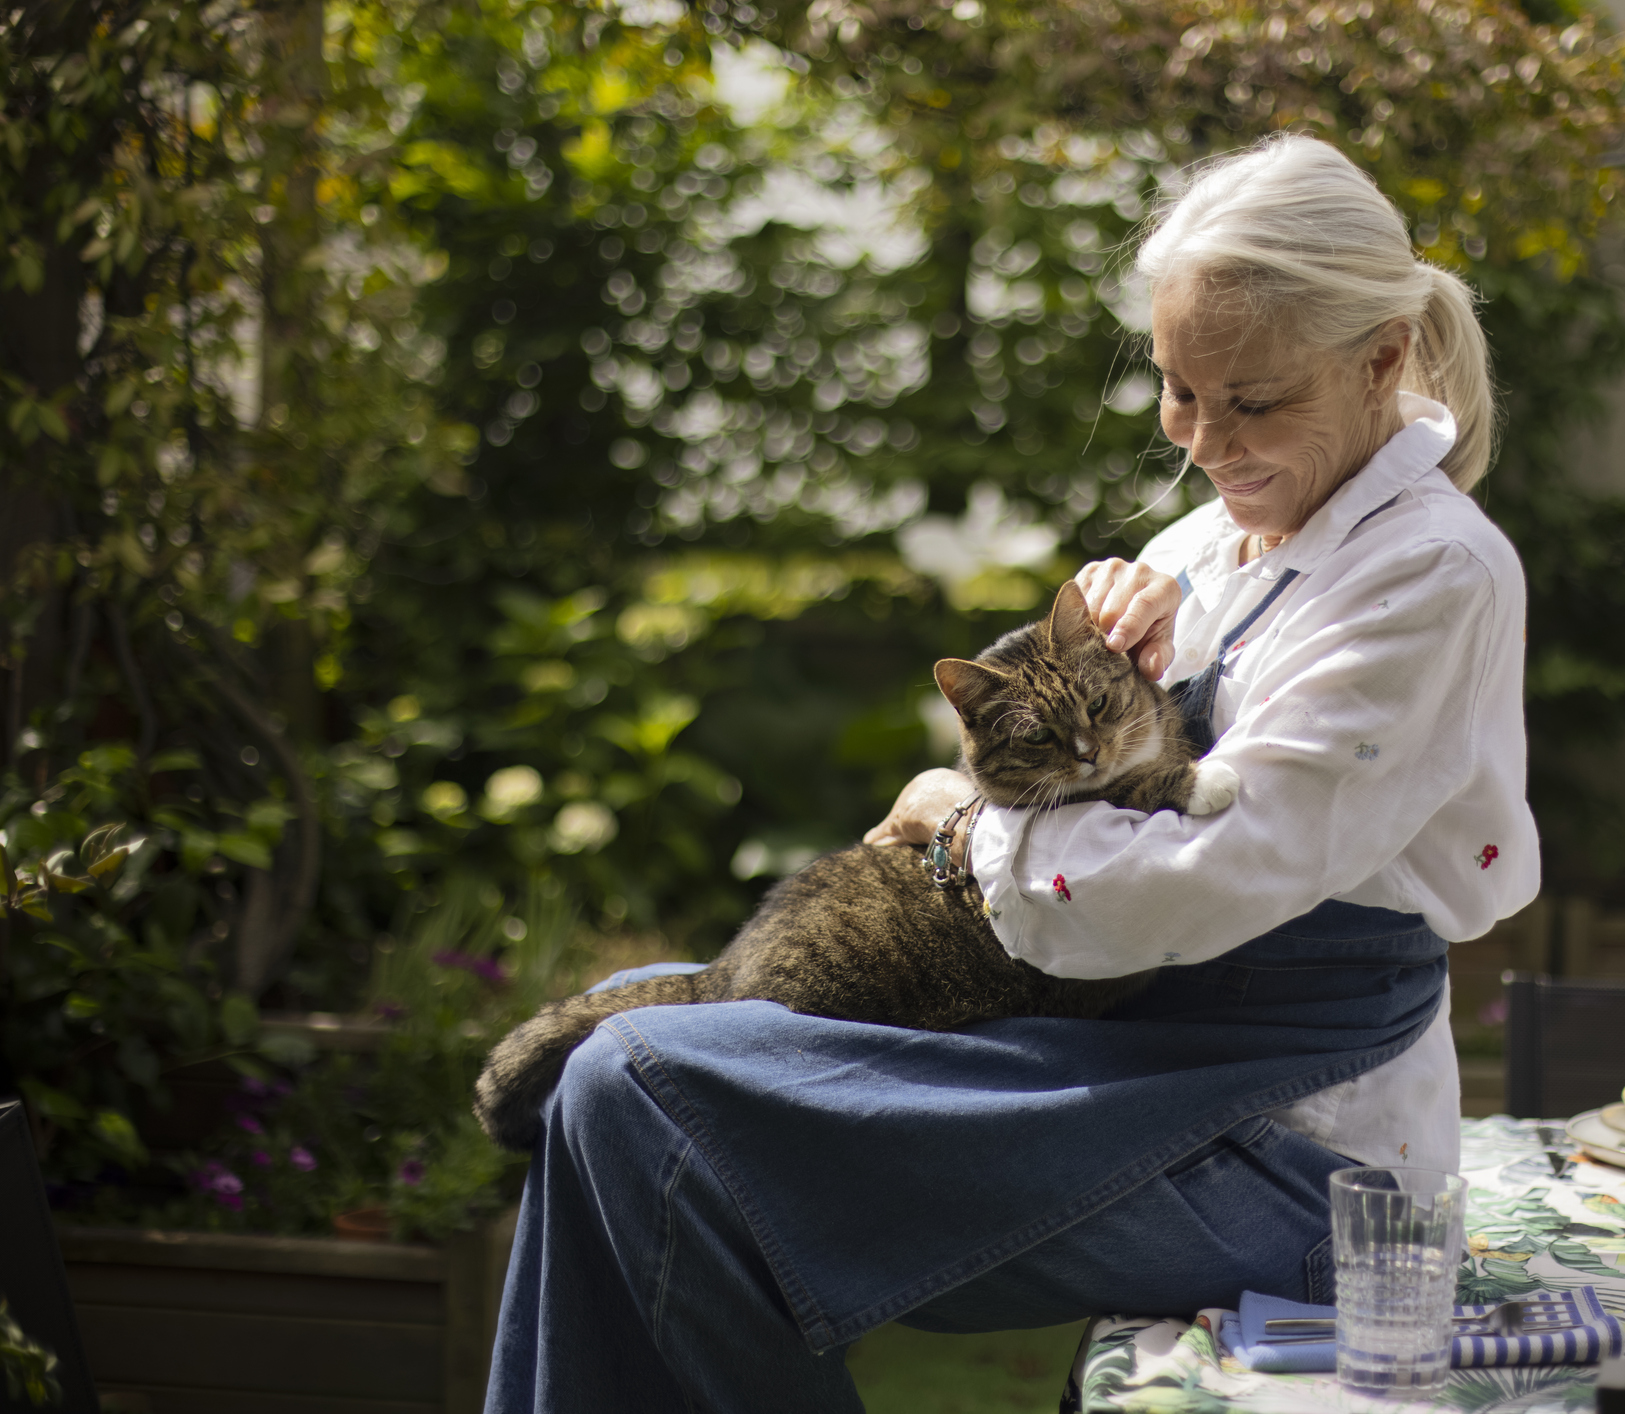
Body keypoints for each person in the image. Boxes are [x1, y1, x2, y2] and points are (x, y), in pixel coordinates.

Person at [484, 133, 1537, 1414]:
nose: (1203, 440)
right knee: (625, 1021)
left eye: (1249, 399)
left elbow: (1203, 872)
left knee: (641, 1090)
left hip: (1304, 1157)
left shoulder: (1430, 572)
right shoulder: (1216, 534)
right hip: (1125, 1048)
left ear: (1381, 359)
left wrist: (965, 817)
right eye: (1175, 390)